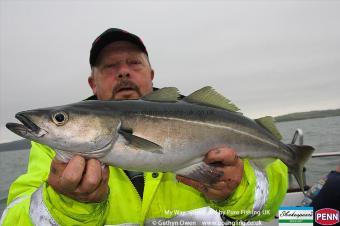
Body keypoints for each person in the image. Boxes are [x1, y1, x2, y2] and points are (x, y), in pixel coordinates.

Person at [1, 28, 288, 225]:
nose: (123, 71)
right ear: (93, 83)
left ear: (151, 74)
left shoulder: (201, 112)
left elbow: (273, 199)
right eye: (110, 66)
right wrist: (65, 204)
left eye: (133, 63)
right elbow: (13, 219)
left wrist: (238, 189)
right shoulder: (51, 146)